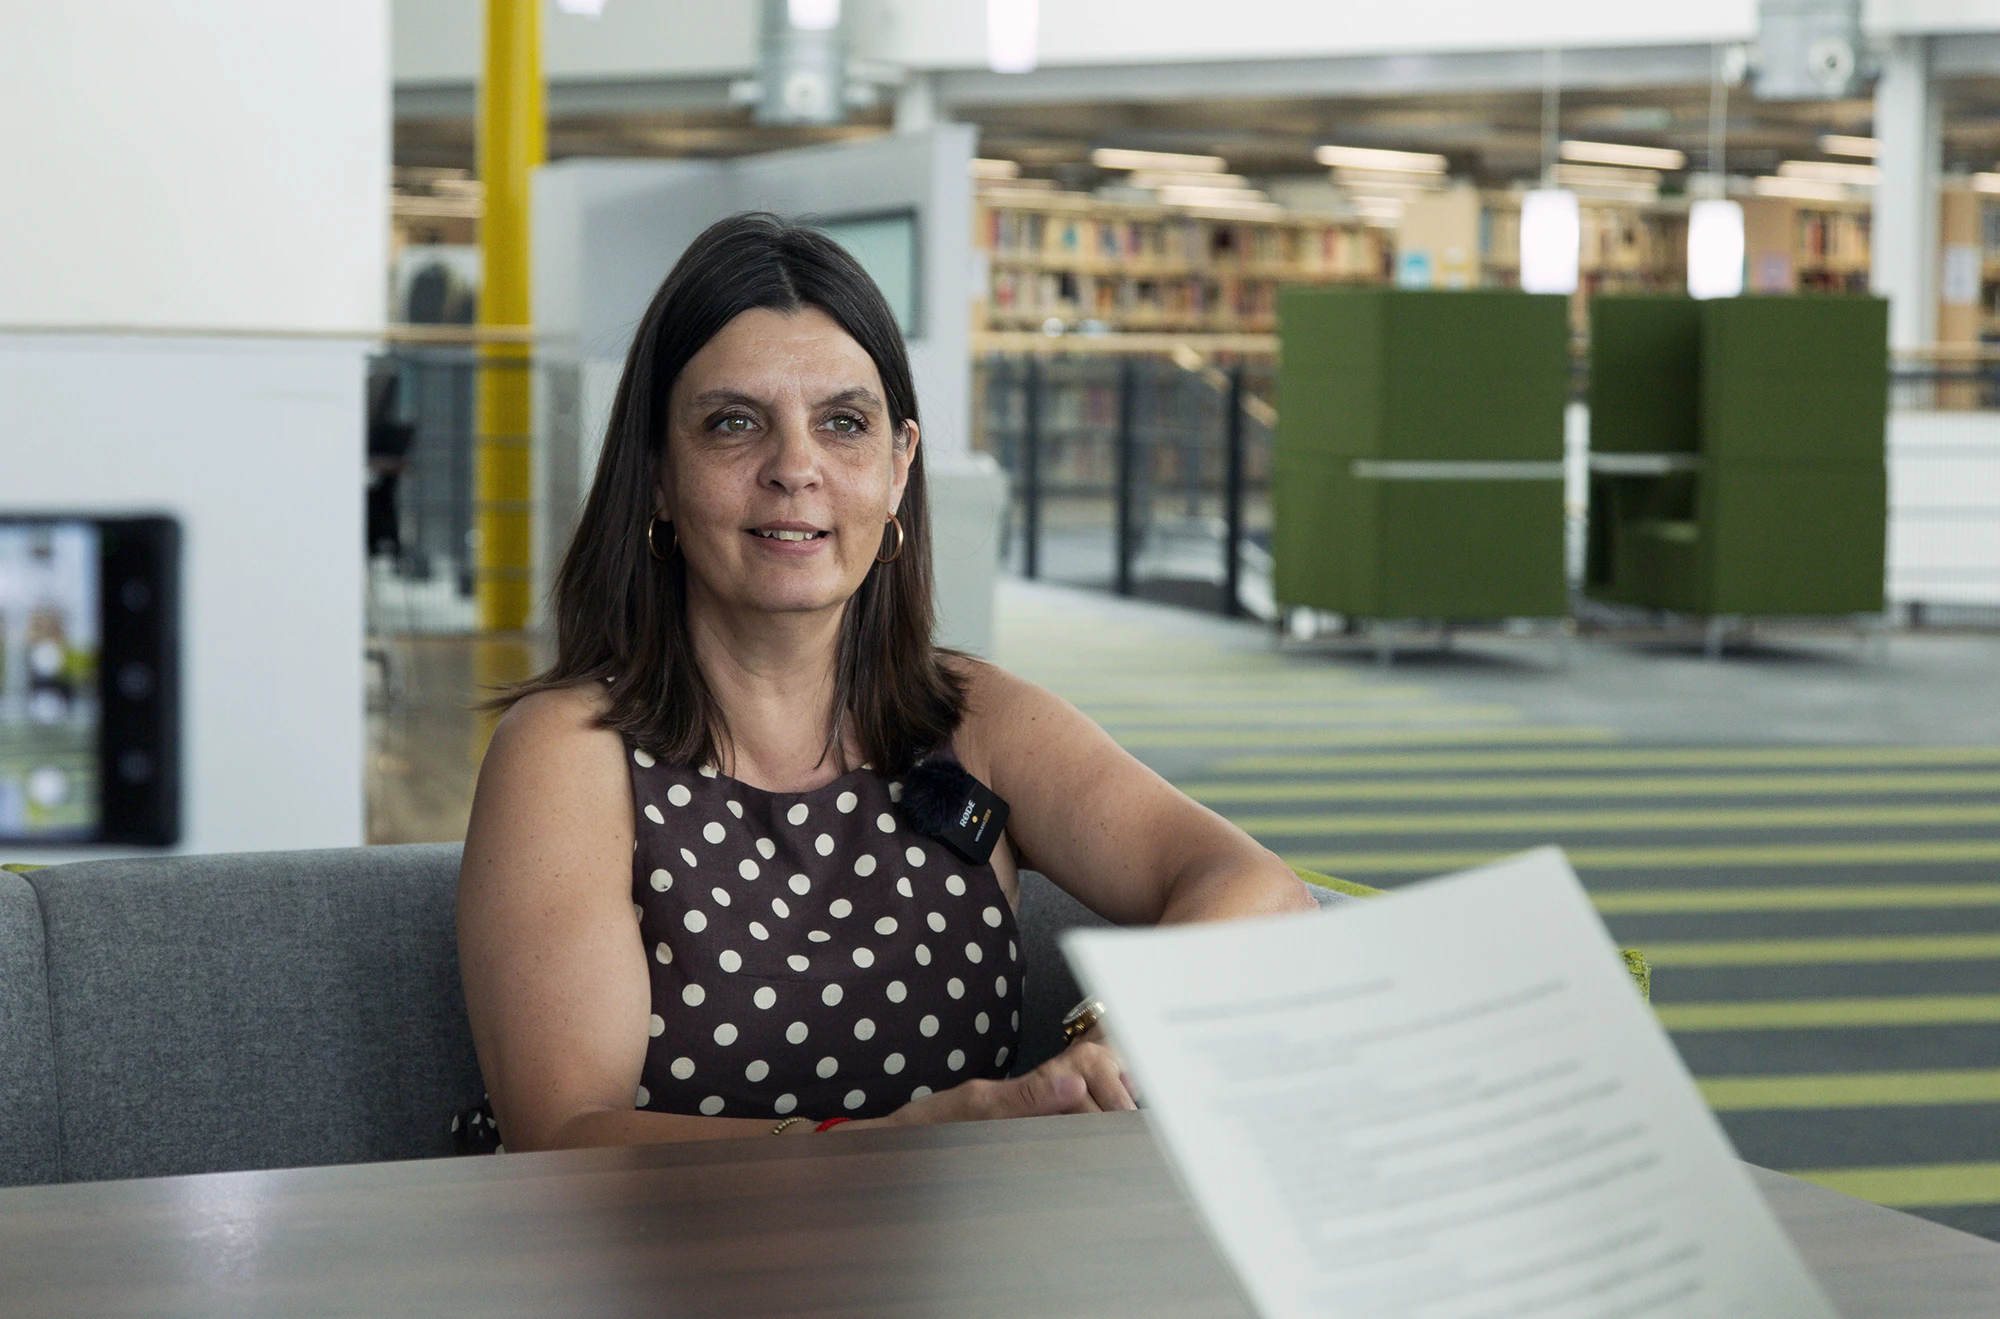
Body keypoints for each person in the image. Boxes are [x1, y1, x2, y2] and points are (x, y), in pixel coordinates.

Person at [457, 213, 1314, 1151]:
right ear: (657, 471)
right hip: (666, 1246)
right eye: (735, 423)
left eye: (844, 424)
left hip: (964, 1243)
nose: (796, 468)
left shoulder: (976, 719)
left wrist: (1120, 1034)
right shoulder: (569, 754)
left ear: (900, 466)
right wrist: (901, 1140)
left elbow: (1258, 887)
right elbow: (566, 1137)